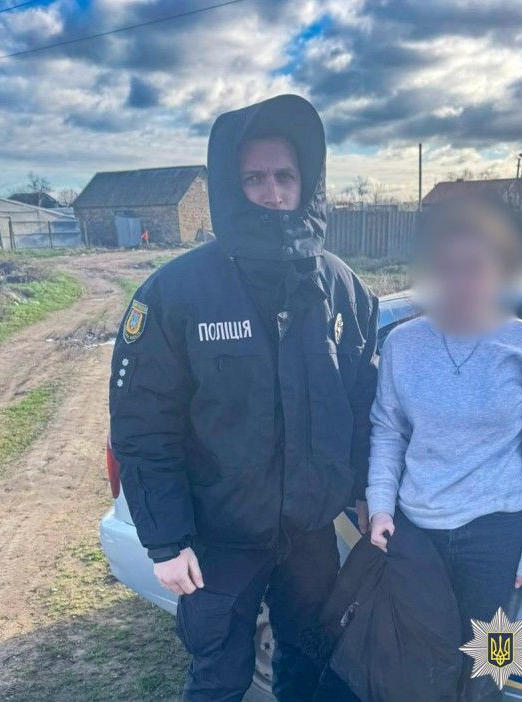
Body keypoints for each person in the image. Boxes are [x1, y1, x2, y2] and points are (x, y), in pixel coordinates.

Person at [109, 94, 378, 702]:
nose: (273, 192)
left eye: (285, 175)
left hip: (310, 537)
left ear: (307, 181)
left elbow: (363, 407)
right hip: (219, 540)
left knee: (310, 670)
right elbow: (143, 427)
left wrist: (367, 491)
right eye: (254, 178)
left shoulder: (343, 290)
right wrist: (166, 541)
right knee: (219, 680)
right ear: (232, 187)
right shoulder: (177, 293)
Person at [366, 196, 522, 700]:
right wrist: (380, 506)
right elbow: (388, 430)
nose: (460, 281)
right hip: (418, 533)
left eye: (474, 267)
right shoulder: (402, 345)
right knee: (423, 664)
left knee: (492, 668)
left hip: (498, 536)